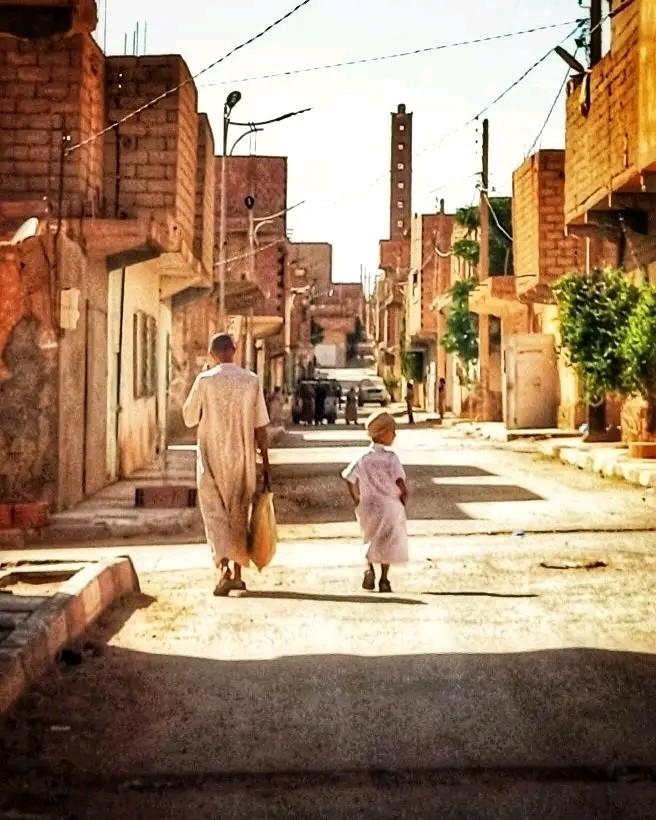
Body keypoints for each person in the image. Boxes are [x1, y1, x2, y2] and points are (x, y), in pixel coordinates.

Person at [182, 333, 271, 597]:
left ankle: (223, 572)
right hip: (242, 457)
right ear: (235, 350)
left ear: (212, 354)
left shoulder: (205, 381)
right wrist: (266, 465)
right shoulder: (251, 380)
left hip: (211, 456)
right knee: (239, 513)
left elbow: (188, 417)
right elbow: (260, 427)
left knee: (214, 513)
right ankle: (239, 573)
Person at [341, 410, 409, 593]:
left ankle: (369, 568)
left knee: (370, 538)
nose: (394, 435)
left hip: (368, 505)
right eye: (392, 431)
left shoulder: (362, 458)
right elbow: (399, 481)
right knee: (387, 542)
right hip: (389, 506)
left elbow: (349, 478)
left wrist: (356, 499)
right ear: (383, 433)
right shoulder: (391, 458)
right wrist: (403, 495)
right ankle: (384, 579)